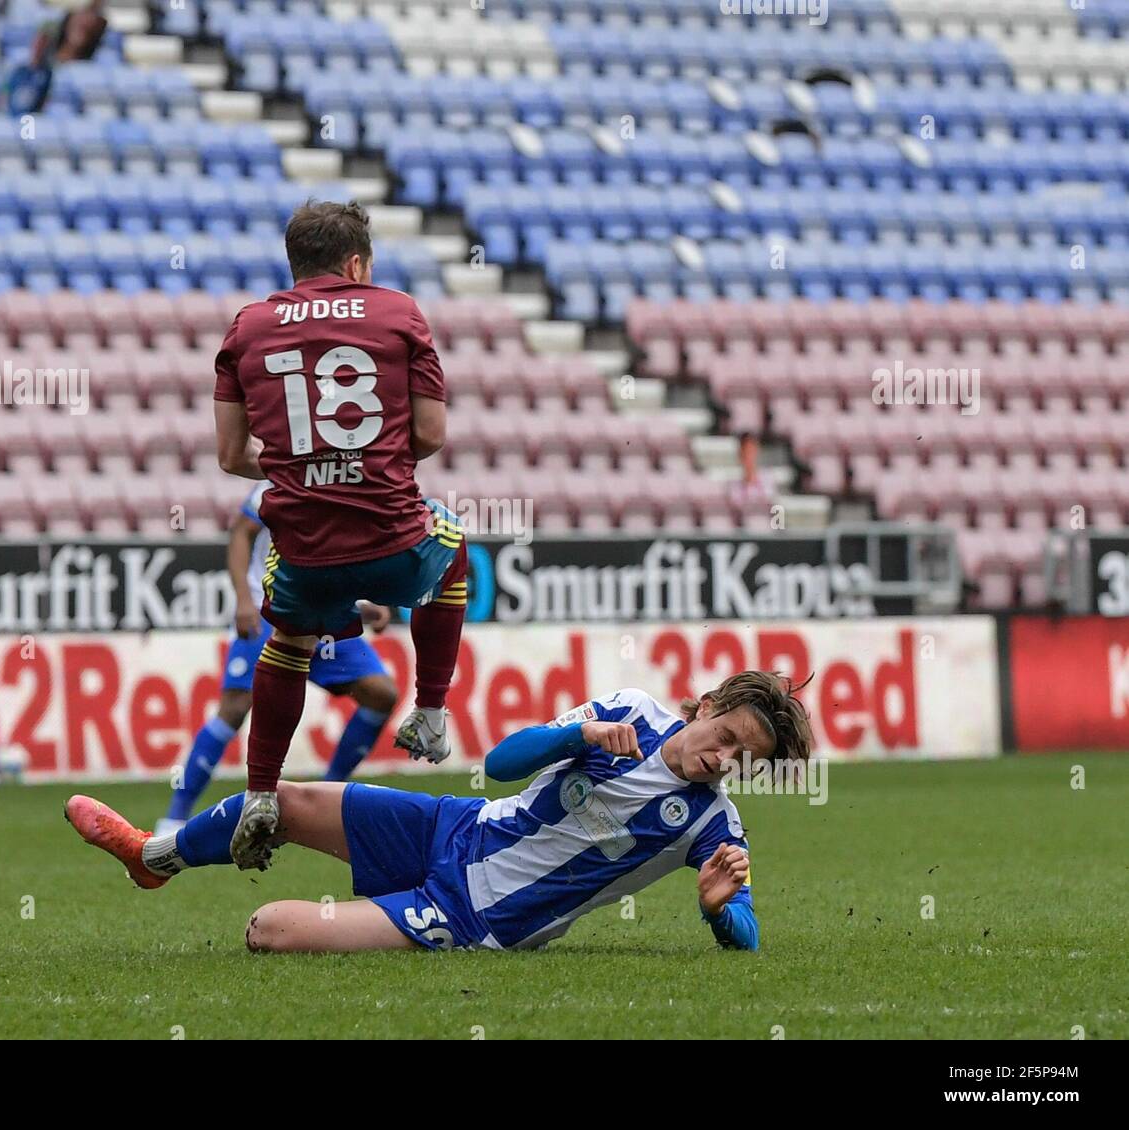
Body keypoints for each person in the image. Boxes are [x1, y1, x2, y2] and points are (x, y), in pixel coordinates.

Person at [65, 673, 814, 953]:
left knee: (268, 931)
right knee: (284, 800)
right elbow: (502, 764)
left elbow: (745, 929)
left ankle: (381, 917)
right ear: (708, 705)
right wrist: (578, 735)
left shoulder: (712, 826)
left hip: (472, 914)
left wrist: (722, 913)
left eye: (742, 759)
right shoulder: (629, 711)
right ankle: (151, 857)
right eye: (726, 738)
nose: (723, 760)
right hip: (453, 827)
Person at [213, 201, 467, 868]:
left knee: (289, 642)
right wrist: (364, 459)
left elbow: (231, 455)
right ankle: (432, 711)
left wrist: (306, 462)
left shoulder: (247, 327)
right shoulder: (399, 312)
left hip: (306, 551)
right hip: (393, 538)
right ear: (357, 264)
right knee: (455, 544)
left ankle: (262, 793)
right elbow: (432, 436)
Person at [154, 482, 399, 836]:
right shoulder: (282, 478)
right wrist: (243, 600)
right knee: (235, 707)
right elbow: (241, 534)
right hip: (271, 613)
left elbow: (354, 556)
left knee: (382, 694)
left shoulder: (356, 485)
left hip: (328, 618)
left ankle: (327, 797)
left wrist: (369, 599)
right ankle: (175, 816)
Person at [2, 26, 55, 117]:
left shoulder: (48, 74)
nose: (38, 48)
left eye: (42, 45)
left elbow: (47, 100)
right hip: (12, 117)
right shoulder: (18, 70)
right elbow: (4, 92)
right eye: (37, 44)